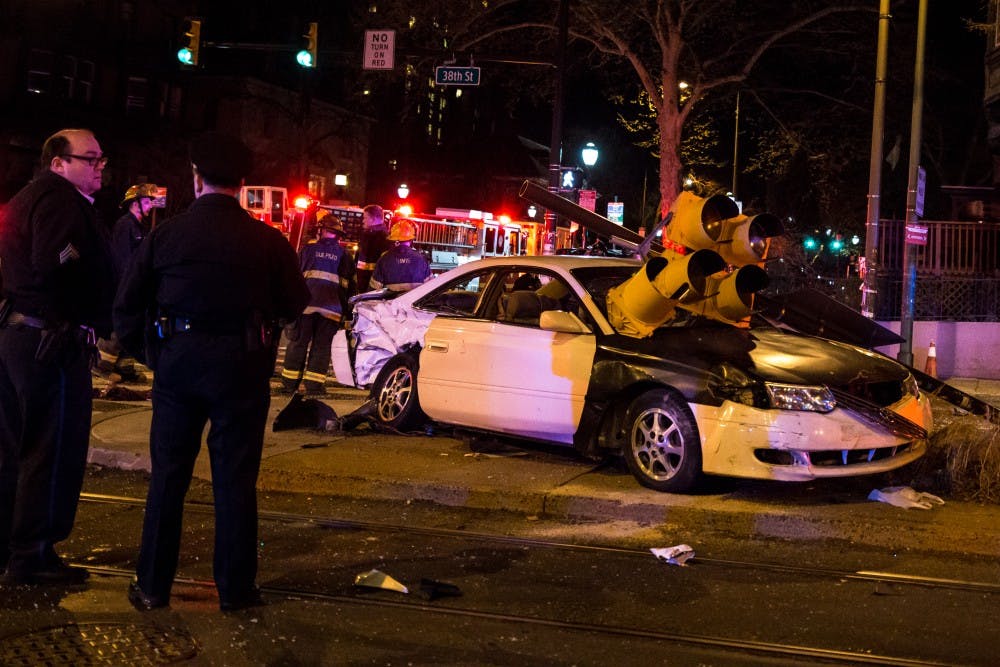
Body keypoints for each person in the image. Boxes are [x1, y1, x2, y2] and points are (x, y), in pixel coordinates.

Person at [114, 132, 309, 612]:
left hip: (178, 364)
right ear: (241, 185)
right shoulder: (267, 241)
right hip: (241, 367)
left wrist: (153, 356)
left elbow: (126, 306)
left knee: (168, 479)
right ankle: (236, 591)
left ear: (196, 178)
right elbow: (294, 303)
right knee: (235, 481)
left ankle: (153, 585)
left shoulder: (167, 234)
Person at [0, 128, 115, 585]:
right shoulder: (61, 201)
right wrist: (81, 314)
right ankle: (33, 553)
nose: (99, 167)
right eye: (90, 159)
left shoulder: (26, 198)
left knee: (13, 447)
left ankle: (12, 547)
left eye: (101, 159)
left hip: (19, 336)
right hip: (50, 342)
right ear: (58, 163)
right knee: (51, 448)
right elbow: (58, 264)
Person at [280, 210, 354, 395]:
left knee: (298, 343)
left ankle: (289, 384)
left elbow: (292, 279)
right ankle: (314, 386)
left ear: (321, 230)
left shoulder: (307, 250)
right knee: (321, 347)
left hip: (305, 306)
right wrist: (347, 313)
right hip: (332, 309)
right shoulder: (344, 256)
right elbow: (348, 287)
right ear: (338, 234)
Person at [95, 182, 158, 382]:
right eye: (147, 202)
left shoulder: (139, 227)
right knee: (117, 327)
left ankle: (124, 367)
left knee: (133, 325)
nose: (150, 206)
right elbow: (123, 259)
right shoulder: (125, 226)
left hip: (133, 284)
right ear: (134, 203)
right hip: (123, 284)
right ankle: (101, 365)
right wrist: (128, 286)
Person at [369, 218, 431, 292]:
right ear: (411, 240)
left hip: (391, 302)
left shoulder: (384, 259)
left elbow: (374, 289)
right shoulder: (421, 259)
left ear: (393, 240)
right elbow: (430, 286)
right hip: (415, 302)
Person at [355, 204, 390, 293]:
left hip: (373, 288)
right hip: (362, 284)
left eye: (365, 218)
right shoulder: (366, 235)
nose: (363, 221)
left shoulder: (384, 238)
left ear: (373, 219)